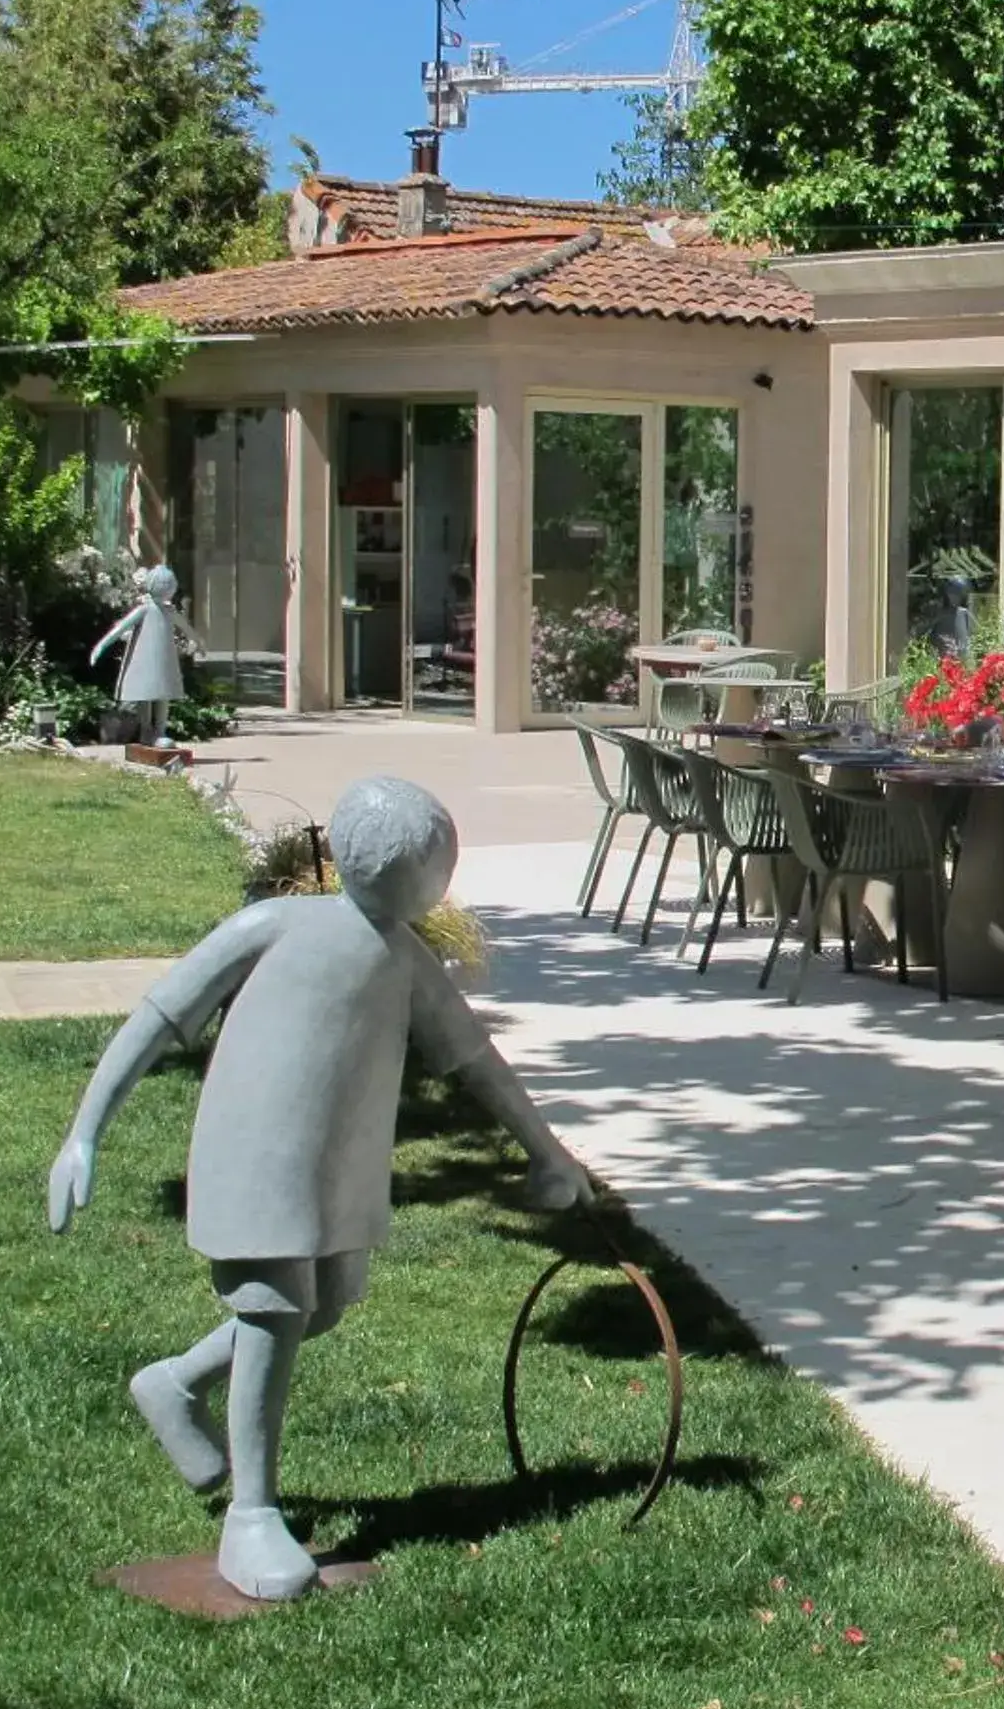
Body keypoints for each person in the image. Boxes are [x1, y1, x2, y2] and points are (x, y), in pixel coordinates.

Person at [46, 777, 594, 1601]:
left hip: (338, 1162)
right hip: (258, 1149)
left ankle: (174, 1381)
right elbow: (163, 1013)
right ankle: (251, 1514)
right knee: (272, 1307)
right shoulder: (274, 926)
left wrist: (545, 1150)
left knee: (325, 1302)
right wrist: (84, 1131)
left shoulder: (404, 960)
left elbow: (478, 1060)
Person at [90, 563, 200, 746]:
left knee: (162, 694)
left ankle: (160, 731)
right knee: (146, 693)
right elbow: (120, 628)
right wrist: (101, 646)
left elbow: (187, 629)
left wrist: (198, 642)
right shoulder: (145, 609)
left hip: (164, 660)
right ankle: (147, 731)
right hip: (146, 659)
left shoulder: (168, 611)